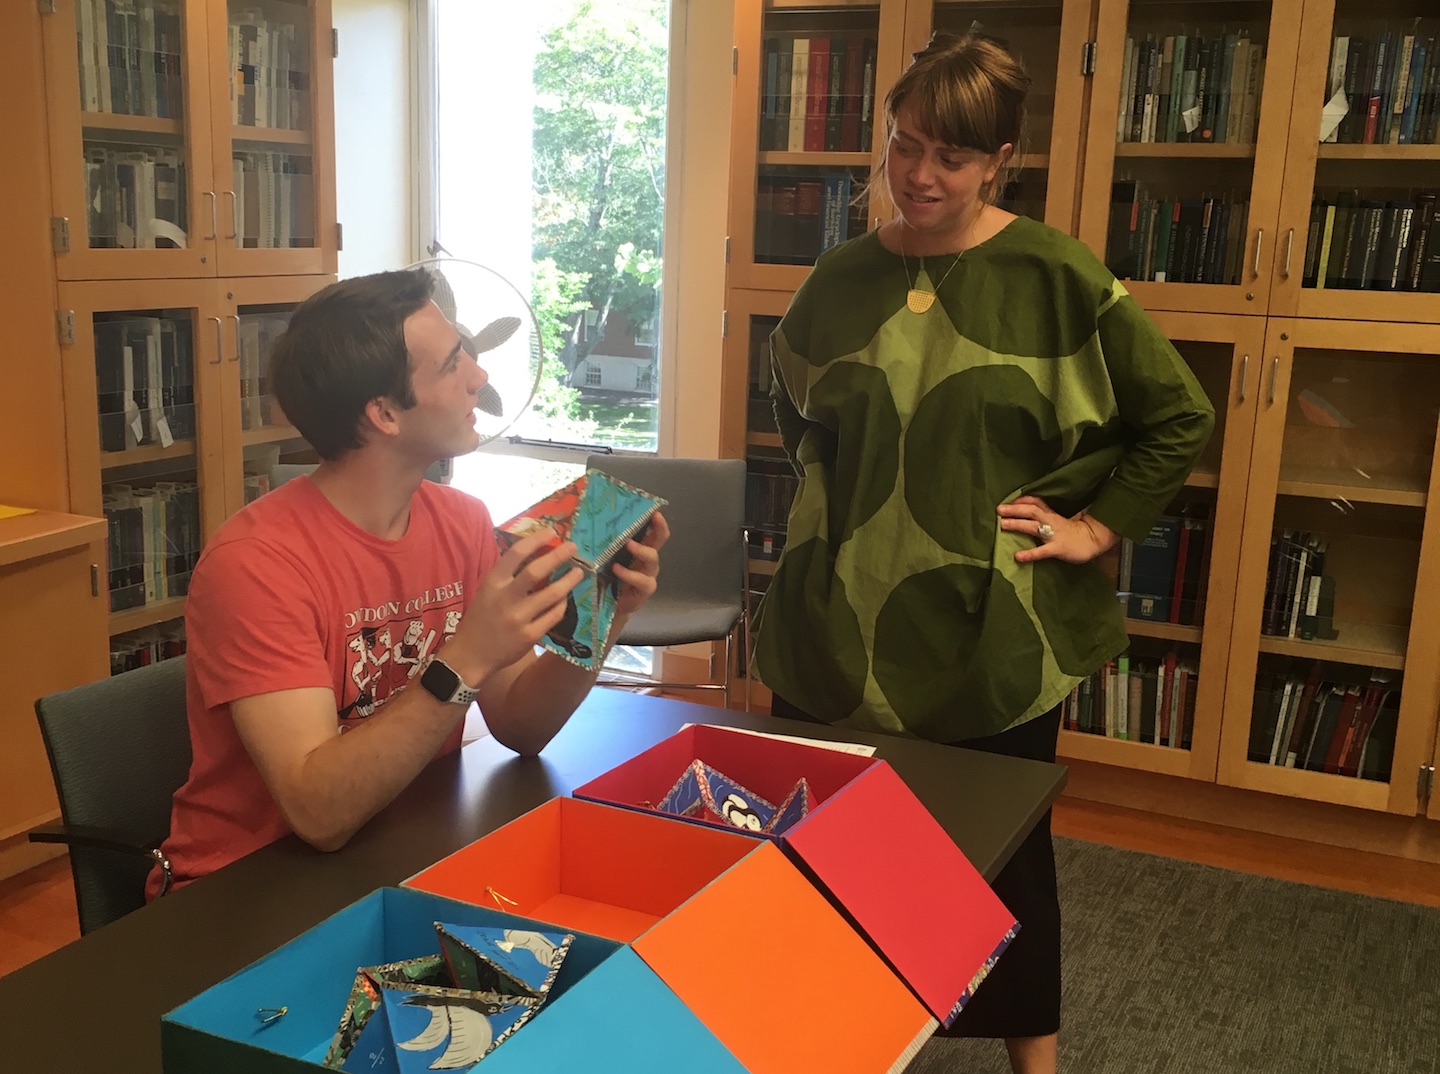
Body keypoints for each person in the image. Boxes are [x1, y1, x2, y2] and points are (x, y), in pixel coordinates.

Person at [750, 32, 1214, 1074]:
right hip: (841, 620)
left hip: (992, 630)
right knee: (829, 847)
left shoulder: (1055, 272)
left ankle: (1031, 1061)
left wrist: (1093, 527)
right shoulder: (840, 276)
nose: (919, 176)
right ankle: (832, 1035)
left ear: (1002, 158)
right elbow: (797, 410)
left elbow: (1176, 416)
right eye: (904, 146)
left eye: (951, 158)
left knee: (1000, 858)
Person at [146, 268, 668, 898]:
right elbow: (318, 816)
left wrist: (606, 614)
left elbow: (520, 725)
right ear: (384, 413)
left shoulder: (462, 521)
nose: (479, 376)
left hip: (400, 852)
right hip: (246, 892)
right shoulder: (255, 565)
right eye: (453, 365)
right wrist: (467, 655)